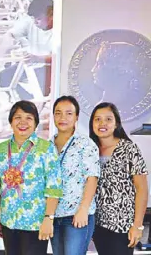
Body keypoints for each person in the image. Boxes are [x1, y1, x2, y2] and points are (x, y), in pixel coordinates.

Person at [0, 100, 62, 255]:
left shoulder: (46, 148)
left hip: (36, 223)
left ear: (36, 123)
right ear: (11, 121)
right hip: (8, 220)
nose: (23, 122)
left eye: (29, 118)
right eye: (18, 117)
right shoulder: (1, 149)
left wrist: (48, 218)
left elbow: (54, 187)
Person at [89, 102, 148, 255]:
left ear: (116, 124)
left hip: (123, 226)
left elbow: (142, 189)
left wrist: (138, 226)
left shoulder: (129, 148)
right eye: (97, 119)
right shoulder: (89, 150)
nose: (102, 123)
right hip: (97, 225)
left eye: (108, 119)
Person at [50, 96, 100, 255]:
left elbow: (92, 178)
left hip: (76, 216)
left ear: (77, 117)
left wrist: (83, 210)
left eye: (68, 113)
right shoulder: (47, 146)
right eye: (58, 113)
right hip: (54, 215)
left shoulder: (85, 144)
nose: (62, 118)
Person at [0, 0, 53, 99]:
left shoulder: (61, 28)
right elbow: (10, 35)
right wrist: (7, 45)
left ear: (51, 15)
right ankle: (25, 98)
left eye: (38, 19)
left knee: (40, 94)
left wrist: (38, 58)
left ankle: (29, 100)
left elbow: (59, 57)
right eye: (33, 19)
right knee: (1, 77)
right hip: (29, 63)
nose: (35, 22)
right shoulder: (30, 21)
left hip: (47, 67)